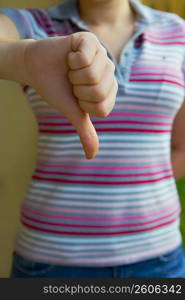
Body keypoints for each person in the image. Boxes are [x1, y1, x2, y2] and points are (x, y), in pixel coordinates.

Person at [0, 0, 185, 278]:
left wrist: (136, 188)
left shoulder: (176, 32)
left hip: (158, 258)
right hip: (51, 261)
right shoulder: (33, 25)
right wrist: (20, 57)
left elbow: (183, 147)